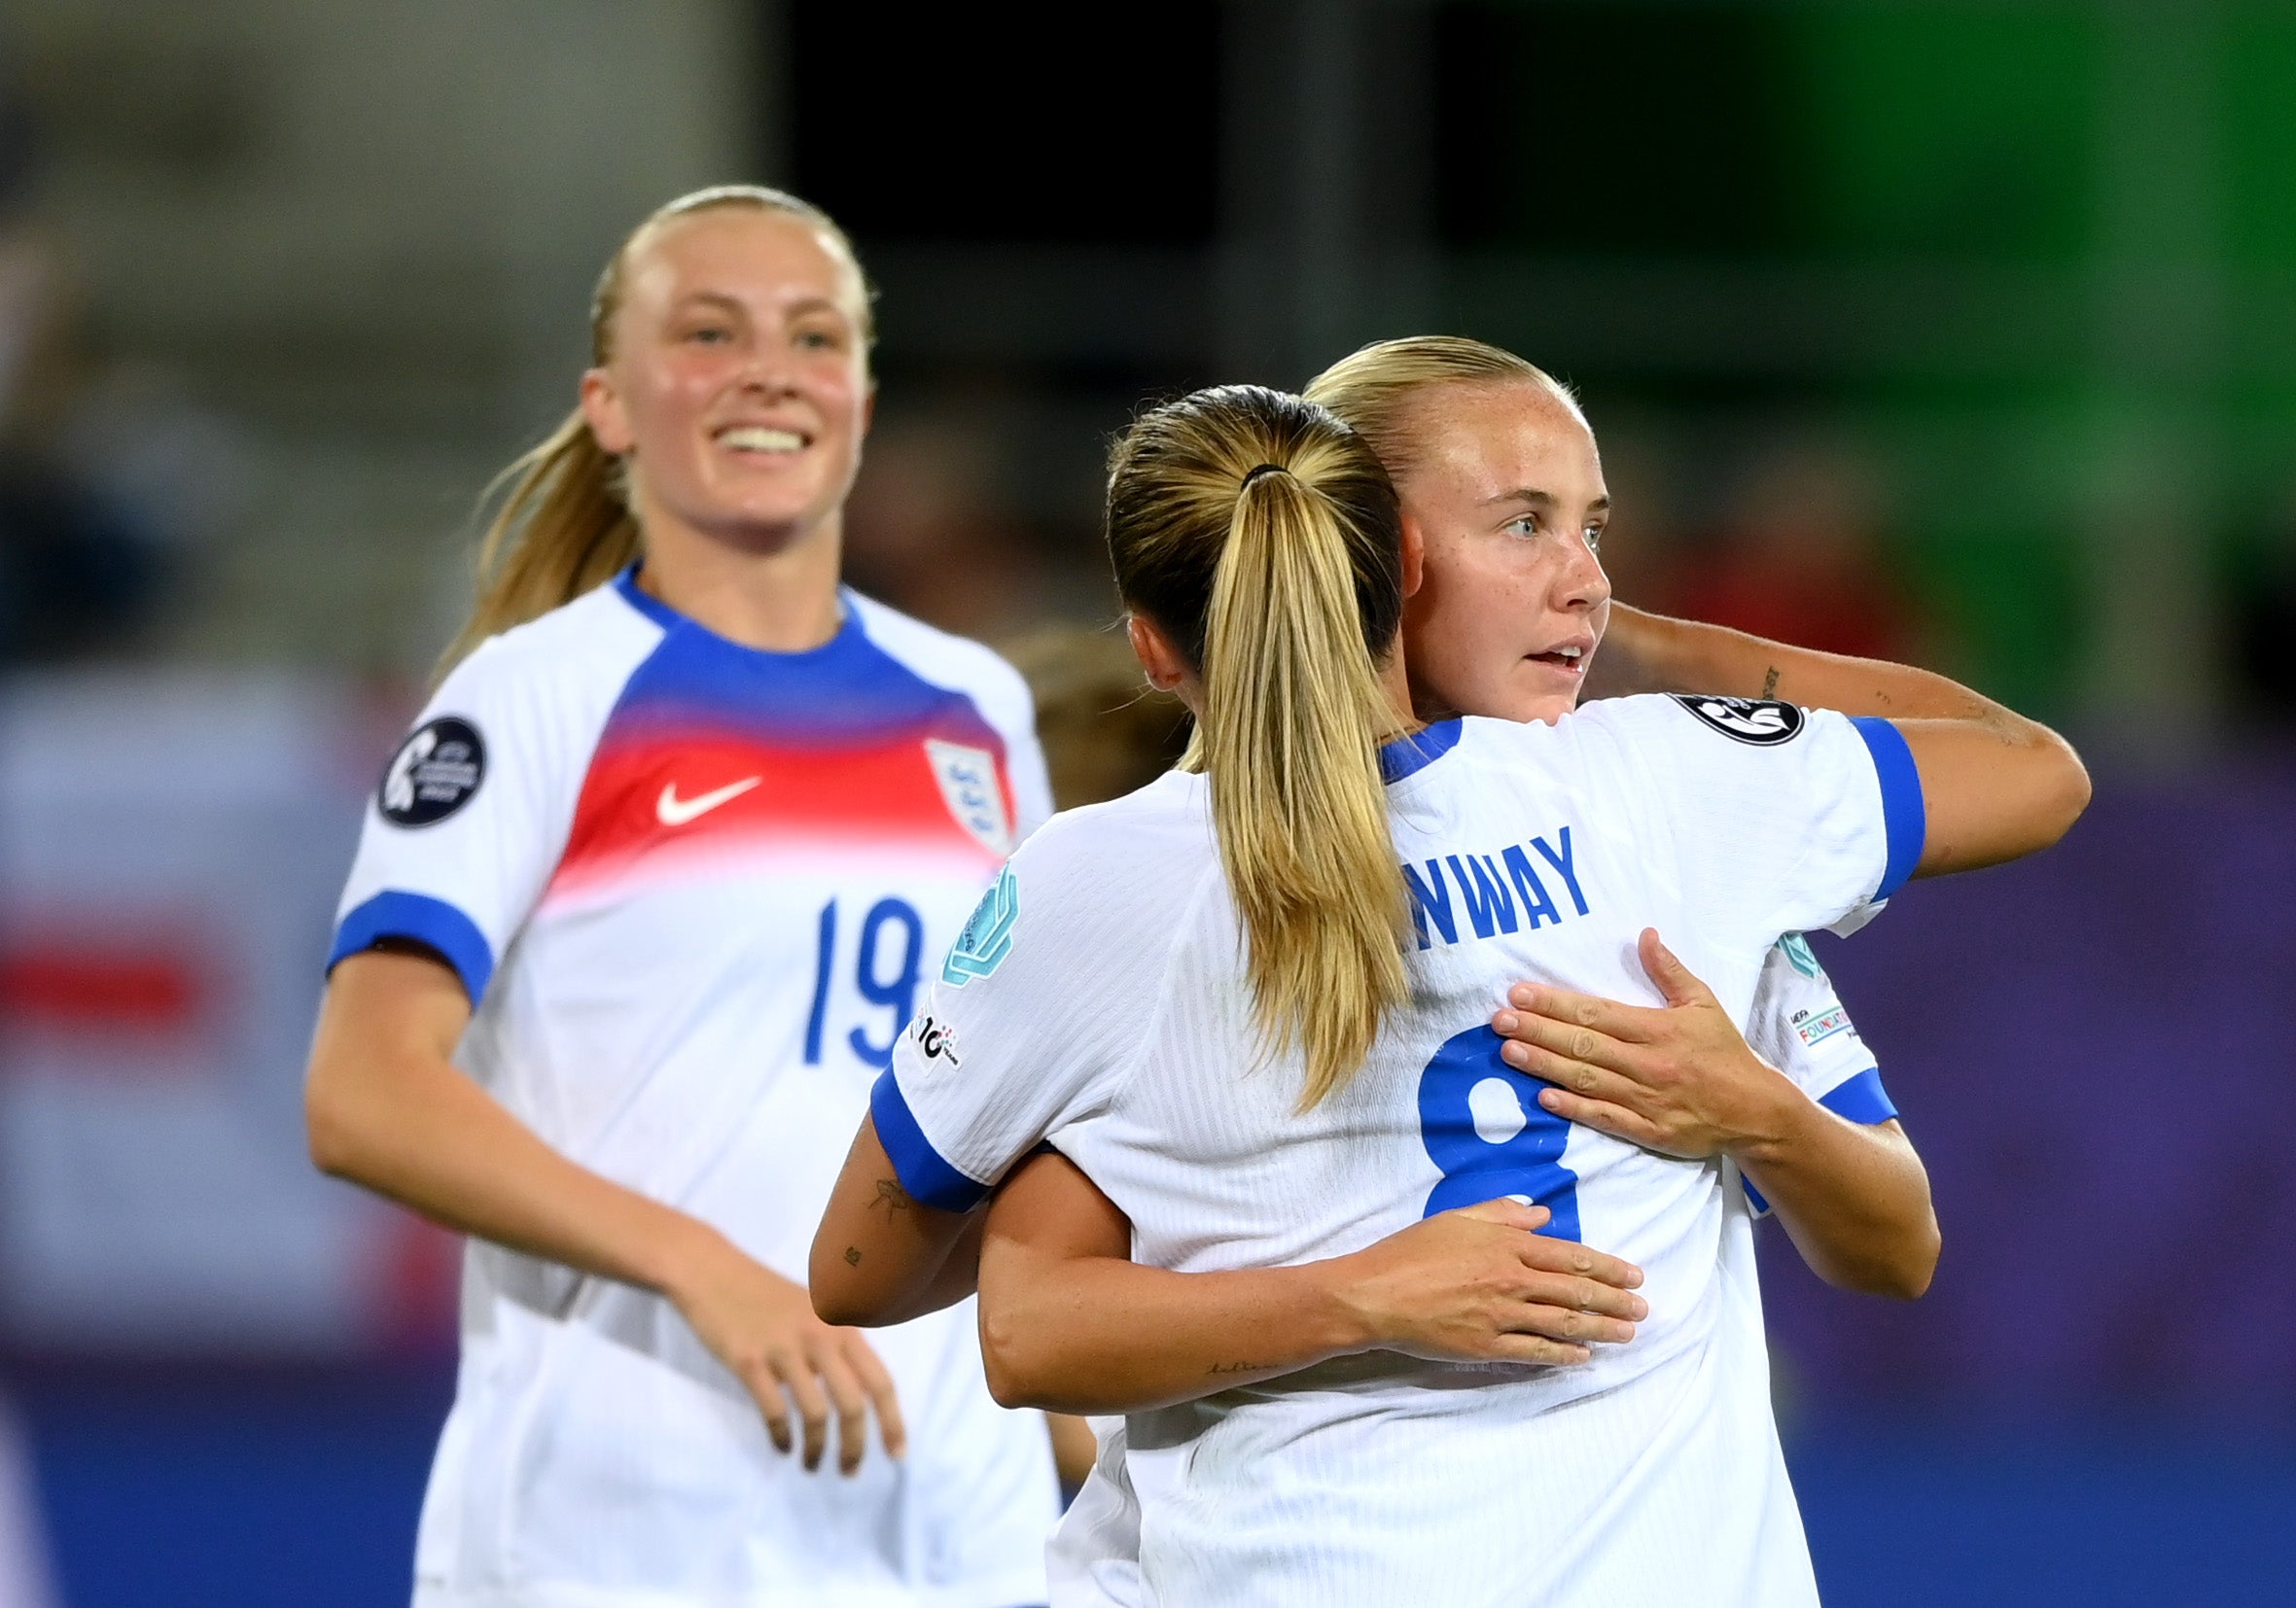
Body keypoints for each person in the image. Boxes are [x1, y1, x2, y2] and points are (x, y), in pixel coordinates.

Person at [812, 381, 2088, 1603]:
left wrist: (1326, 1278)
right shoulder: (1668, 790)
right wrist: (1646, 646)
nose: (1576, 573)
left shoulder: (1095, 885)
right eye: (1525, 524)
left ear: (1151, 645)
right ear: (1403, 569)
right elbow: (2033, 770)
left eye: (1590, 531)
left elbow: (892, 1276)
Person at [304, 185, 1059, 1608]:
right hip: (624, 1526)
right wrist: (704, 1268)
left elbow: (1017, 1103)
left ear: (861, 394)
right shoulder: (534, 699)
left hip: (951, 1519)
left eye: (812, 335)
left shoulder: (979, 707)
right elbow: (362, 1092)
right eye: (709, 332)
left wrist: (1090, 1415)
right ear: (608, 403)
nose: (768, 369)